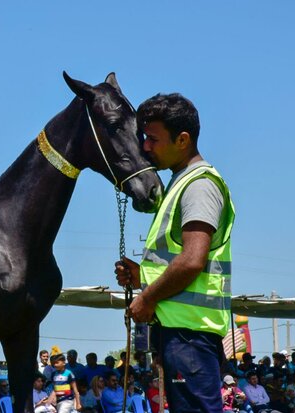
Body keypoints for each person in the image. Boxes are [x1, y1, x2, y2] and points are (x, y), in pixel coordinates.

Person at [115, 93, 235, 412]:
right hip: (181, 336)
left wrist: (148, 298)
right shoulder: (179, 183)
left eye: (152, 138)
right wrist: (143, 276)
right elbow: (180, 261)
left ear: (182, 140)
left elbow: (192, 260)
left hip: (190, 337)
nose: (145, 147)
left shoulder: (199, 185)